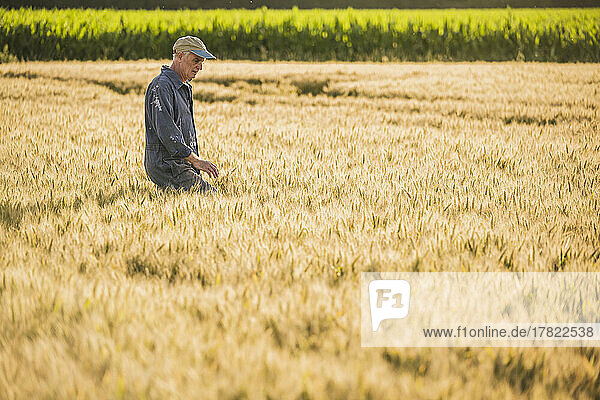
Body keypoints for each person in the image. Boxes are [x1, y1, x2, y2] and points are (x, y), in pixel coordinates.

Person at [144, 36, 219, 192]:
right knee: (210, 198)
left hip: (182, 164)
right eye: (196, 60)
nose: (200, 67)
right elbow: (167, 132)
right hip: (168, 164)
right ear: (179, 56)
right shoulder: (161, 86)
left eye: (202, 63)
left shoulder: (184, 87)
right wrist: (195, 160)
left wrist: (192, 162)